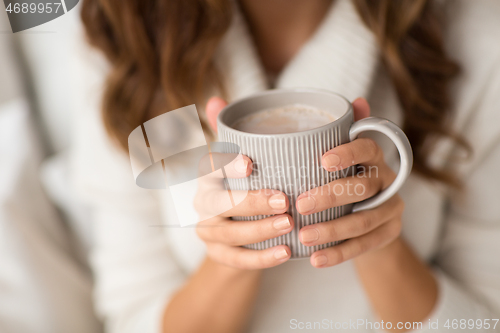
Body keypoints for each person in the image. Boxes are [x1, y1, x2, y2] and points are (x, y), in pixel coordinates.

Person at [74, 0, 500, 332]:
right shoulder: (132, 47)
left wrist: (378, 238)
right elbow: (133, 319)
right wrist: (231, 255)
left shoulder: (471, 43)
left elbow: (484, 323)